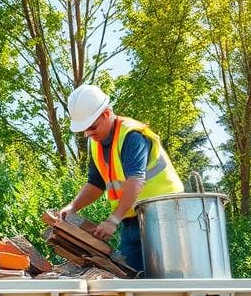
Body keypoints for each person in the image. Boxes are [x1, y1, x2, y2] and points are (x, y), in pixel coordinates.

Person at [58, 84, 183, 274]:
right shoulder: (96, 143)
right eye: (85, 130)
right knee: (129, 278)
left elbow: (136, 180)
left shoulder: (132, 135)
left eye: (92, 127)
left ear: (107, 113)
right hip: (131, 221)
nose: (89, 134)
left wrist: (113, 220)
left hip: (164, 218)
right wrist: (73, 207)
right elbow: (95, 184)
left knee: (165, 279)